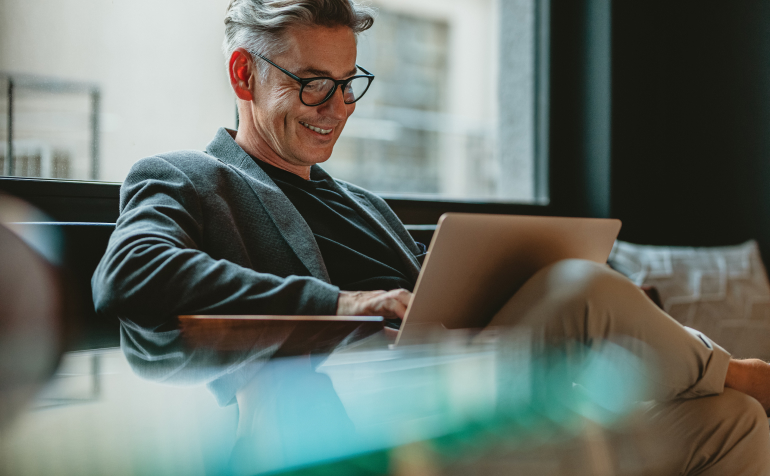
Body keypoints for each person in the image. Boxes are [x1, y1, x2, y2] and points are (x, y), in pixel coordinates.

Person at [92, 1, 770, 473]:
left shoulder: (365, 205)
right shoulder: (187, 178)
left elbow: (439, 294)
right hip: (361, 423)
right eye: (312, 85)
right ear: (244, 74)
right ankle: (729, 367)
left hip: (475, 396)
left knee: (734, 425)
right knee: (581, 287)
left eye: (350, 83)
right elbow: (131, 271)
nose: (339, 109)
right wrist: (341, 303)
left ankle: (716, 383)